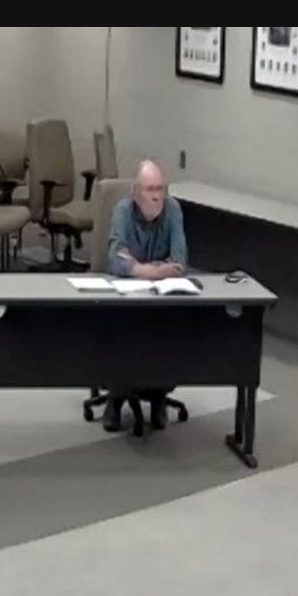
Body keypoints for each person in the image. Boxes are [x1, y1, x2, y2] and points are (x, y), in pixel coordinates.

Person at [102, 160, 188, 432]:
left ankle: (159, 397)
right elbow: (116, 259)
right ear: (136, 192)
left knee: (168, 332)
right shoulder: (123, 210)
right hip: (124, 295)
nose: (156, 195)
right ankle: (115, 399)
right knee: (122, 332)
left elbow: (179, 261)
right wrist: (155, 270)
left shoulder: (173, 210)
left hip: (161, 297)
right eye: (150, 189)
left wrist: (139, 267)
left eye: (160, 189)